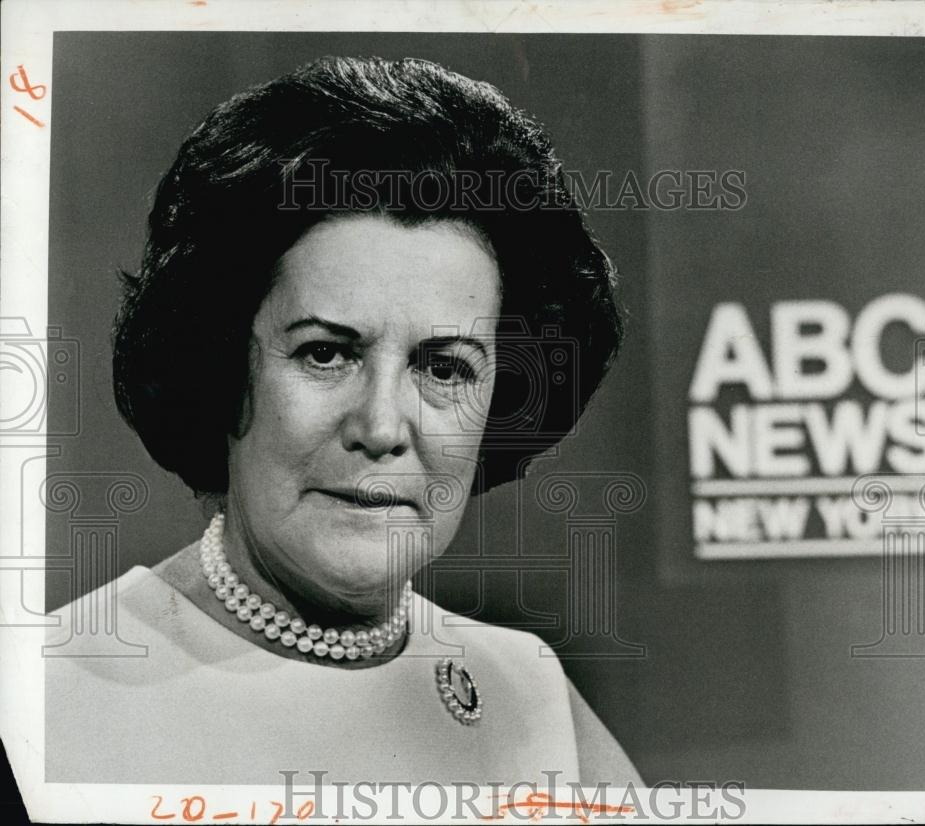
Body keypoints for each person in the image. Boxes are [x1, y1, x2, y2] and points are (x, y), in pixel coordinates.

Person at [46, 55, 641, 787]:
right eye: (326, 354)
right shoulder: (45, 695)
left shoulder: (531, 698)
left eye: (444, 368)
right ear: (221, 369)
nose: (383, 425)